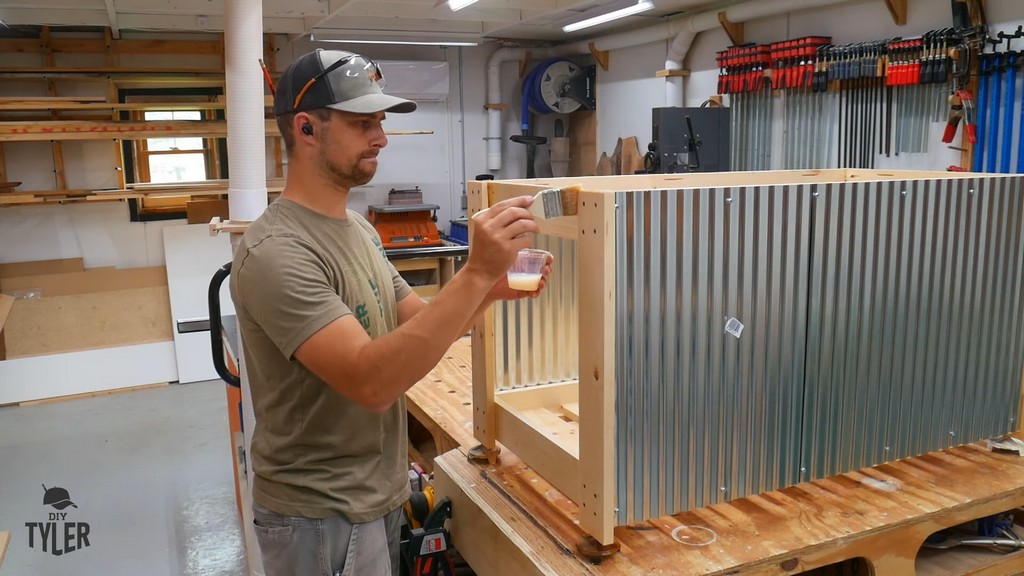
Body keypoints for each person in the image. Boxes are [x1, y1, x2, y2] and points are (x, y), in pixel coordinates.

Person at [229, 48, 552, 576]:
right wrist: (472, 274)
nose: (381, 138)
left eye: (380, 122)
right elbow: (373, 382)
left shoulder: (356, 228)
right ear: (307, 129)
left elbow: (412, 321)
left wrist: (489, 289)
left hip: (374, 493)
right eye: (363, 124)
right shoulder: (276, 252)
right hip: (318, 513)